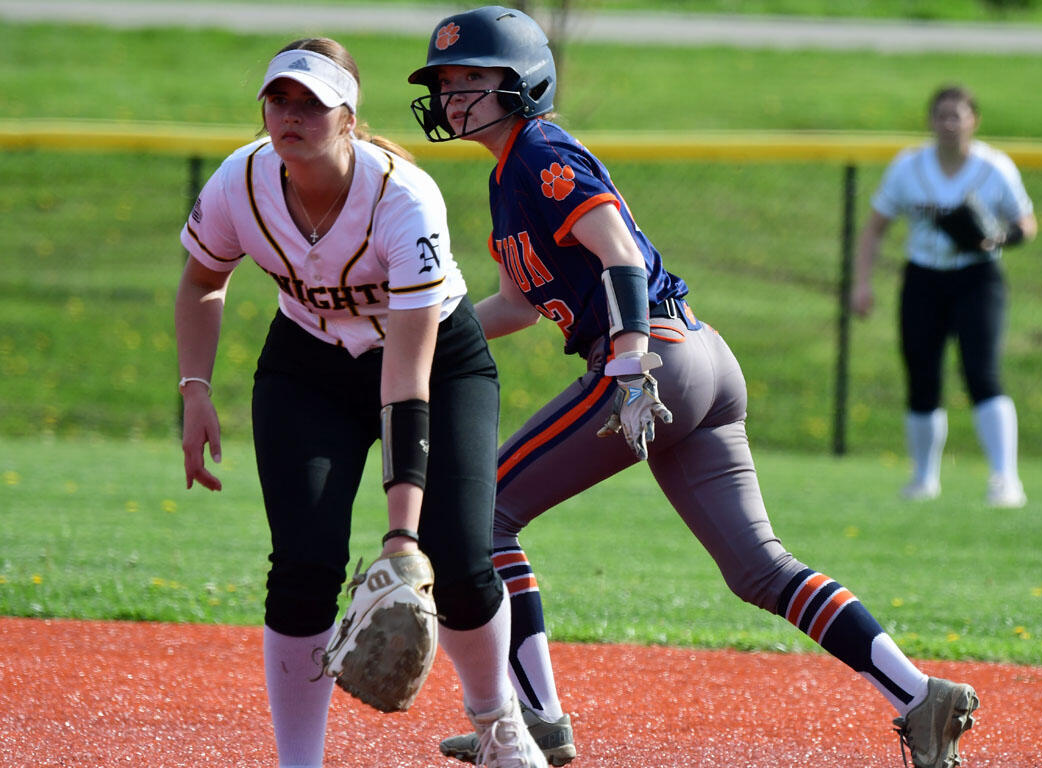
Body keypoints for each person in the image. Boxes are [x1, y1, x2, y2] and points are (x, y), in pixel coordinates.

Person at [406, 8, 979, 768]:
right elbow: (517, 301)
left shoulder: (541, 151)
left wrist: (632, 357)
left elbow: (616, 250)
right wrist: (425, 334)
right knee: (759, 569)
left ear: (524, 83)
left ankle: (537, 722)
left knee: (482, 520)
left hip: (654, 362)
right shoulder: (507, 174)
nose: (454, 96)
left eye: (473, 79)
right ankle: (919, 696)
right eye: (446, 82)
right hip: (699, 357)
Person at [174, 37, 547, 768]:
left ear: (349, 116)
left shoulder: (403, 196)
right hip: (307, 366)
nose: (292, 114)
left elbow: (405, 377)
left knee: (462, 563)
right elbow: (201, 281)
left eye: (312, 102)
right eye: (279, 99)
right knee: (304, 569)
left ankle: (497, 723)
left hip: (437, 363)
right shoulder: (239, 182)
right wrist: (195, 390)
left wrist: (401, 539)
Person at [852, 84, 1037, 509]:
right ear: (930, 121)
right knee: (922, 378)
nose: (949, 123)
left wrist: (999, 237)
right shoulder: (908, 167)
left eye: (958, 115)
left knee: (982, 372)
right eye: (941, 115)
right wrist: (862, 284)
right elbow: (874, 229)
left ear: (974, 120)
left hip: (978, 279)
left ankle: (1005, 480)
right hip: (923, 278)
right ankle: (922, 479)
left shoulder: (994, 168)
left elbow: (1027, 223)